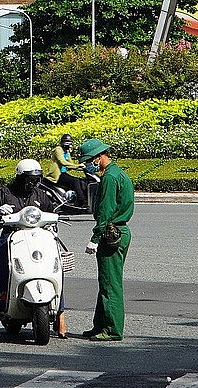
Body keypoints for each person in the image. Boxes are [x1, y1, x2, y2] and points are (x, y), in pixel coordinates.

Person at [0, 159, 68, 339]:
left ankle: (60, 314)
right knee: (2, 269)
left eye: (36, 179)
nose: (33, 183)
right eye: (29, 179)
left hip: (38, 238)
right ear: (20, 177)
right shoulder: (5, 193)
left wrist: (52, 224)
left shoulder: (41, 195)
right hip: (13, 238)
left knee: (56, 267)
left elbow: (52, 213)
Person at [79, 139, 134, 341]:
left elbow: (105, 211)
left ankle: (111, 329)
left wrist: (95, 237)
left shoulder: (109, 178)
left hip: (111, 233)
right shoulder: (117, 173)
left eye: (88, 161)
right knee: (106, 281)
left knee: (110, 284)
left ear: (98, 157)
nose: (87, 165)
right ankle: (100, 324)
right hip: (120, 231)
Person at [45, 134, 86, 207]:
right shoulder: (58, 150)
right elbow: (63, 162)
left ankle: (76, 199)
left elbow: (71, 164)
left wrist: (83, 168)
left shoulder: (66, 152)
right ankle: (82, 201)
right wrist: (78, 166)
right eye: (67, 142)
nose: (69, 145)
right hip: (57, 175)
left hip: (63, 173)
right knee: (75, 181)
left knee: (81, 181)